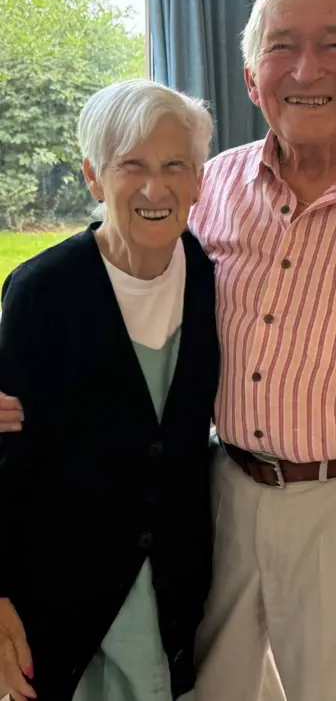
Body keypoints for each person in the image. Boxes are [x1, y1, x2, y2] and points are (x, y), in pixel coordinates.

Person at [2, 0, 336, 701]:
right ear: (253, 80)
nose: (306, 69)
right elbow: (106, 271)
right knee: (208, 689)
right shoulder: (213, 184)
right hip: (221, 495)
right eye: (281, 46)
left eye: (332, 43)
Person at [0, 80, 219, 701]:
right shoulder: (44, 291)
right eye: (132, 166)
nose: (155, 189)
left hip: (175, 587)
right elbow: (6, 454)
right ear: (94, 178)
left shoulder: (208, 278)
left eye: (174, 165)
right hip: (66, 589)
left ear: (199, 180)